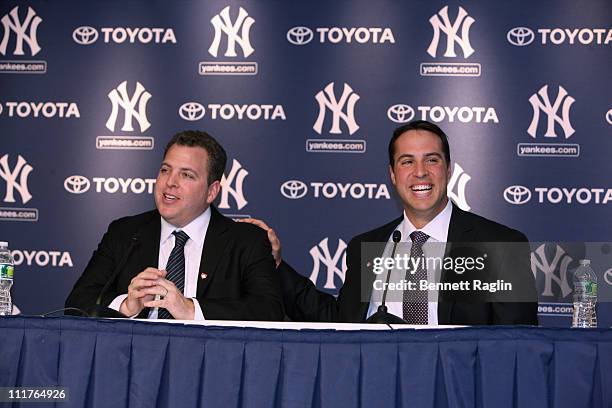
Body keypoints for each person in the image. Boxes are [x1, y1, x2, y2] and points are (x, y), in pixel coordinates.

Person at [243, 120, 538, 325]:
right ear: (393, 175)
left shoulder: (498, 245)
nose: (420, 172)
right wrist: (276, 265)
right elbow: (340, 322)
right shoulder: (366, 247)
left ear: (449, 170)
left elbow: (515, 346)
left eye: (432, 160)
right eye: (407, 161)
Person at [66, 130, 283, 321]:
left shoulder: (246, 241)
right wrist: (126, 306)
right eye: (165, 170)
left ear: (212, 191)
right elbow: (76, 304)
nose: (170, 182)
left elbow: (268, 311)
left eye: (186, 175)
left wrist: (190, 309)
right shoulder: (125, 233)